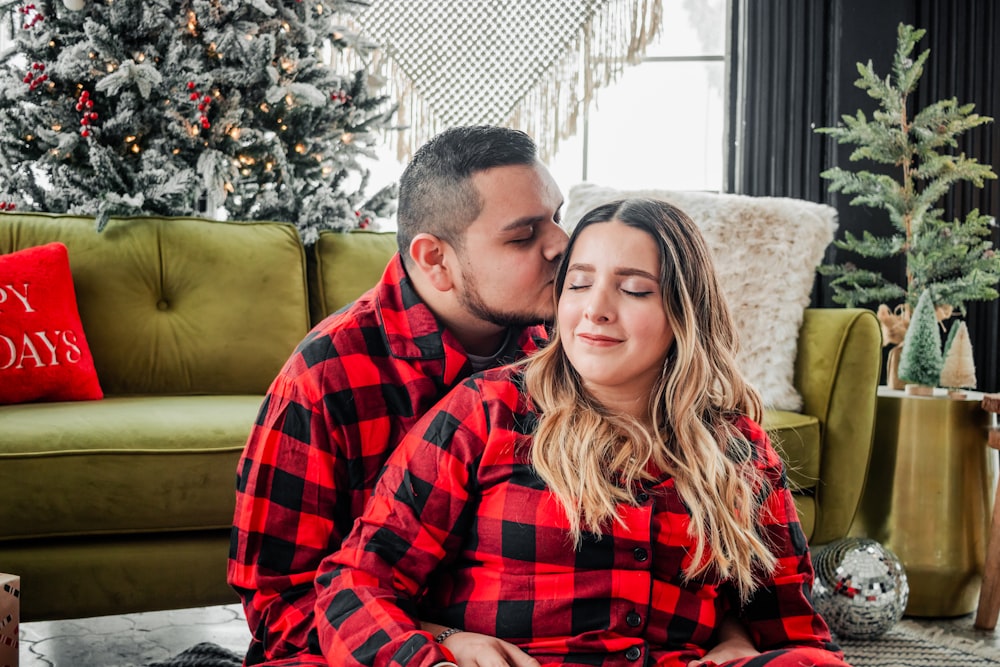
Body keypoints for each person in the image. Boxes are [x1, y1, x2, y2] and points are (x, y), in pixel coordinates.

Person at [313, 198, 850, 667]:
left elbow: (795, 631)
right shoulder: (486, 412)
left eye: (635, 290)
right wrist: (436, 656)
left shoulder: (738, 448)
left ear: (685, 314)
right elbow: (357, 583)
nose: (596, 309)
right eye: (578, 284)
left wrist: (742, 642)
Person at [228, 125, 568, 666]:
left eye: (557, 216)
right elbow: (281, 609)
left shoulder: (565, 347)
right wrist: (438, 642)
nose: (561, 245)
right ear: (434, 258)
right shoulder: (324, 378)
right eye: (523, 235)